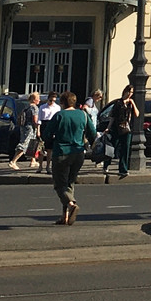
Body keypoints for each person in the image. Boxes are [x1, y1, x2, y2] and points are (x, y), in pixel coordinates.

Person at [44, 91, 94, 225]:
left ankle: (71, 205)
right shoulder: (83, 115)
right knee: (70, 183)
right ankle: (65, 216)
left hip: (61, 152)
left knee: (59, 185)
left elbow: (46, 134)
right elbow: (93, 133)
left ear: (62, 103)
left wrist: (52, 140)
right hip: (78, 153)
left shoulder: (59, 115)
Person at [105, 84, 138, 179]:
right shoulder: (118, 103)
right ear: (125, 91)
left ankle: (123, 169)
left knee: (125, 149)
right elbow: (113, 117)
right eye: (129, 92)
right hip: (117, 128)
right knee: (113, 147)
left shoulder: (130, 103)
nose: (130, 94)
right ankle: (106, 164)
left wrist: (133, 104)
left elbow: (137, 114)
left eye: (132, 92)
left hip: (127, 129)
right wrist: (108, 128)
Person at [9, 92, 41, 170]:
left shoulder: (26, 107)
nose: (39, 100)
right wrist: (38, 129)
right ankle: (13, 161)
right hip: (30, 128)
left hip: (24, 127)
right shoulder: (35, 108)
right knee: (24, 144)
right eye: (38, 99)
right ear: (34, 100)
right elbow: (35, 120)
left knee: (32, 144)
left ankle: (33, 161)